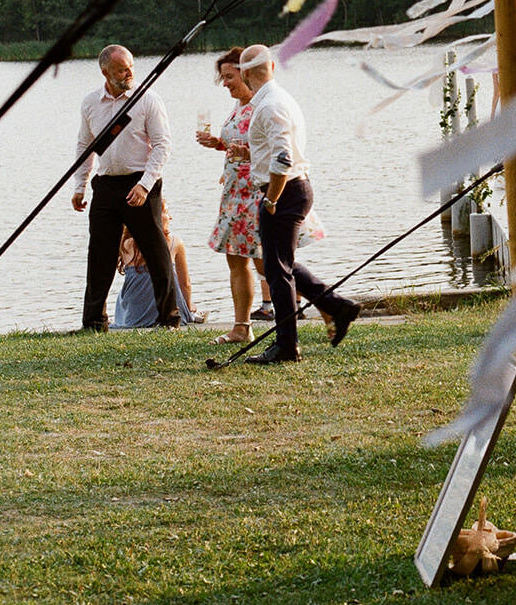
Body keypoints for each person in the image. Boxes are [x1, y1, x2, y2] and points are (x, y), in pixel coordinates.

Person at [233, 45, 359, 365]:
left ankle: (287, 346)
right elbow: (277, 151)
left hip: (285, 191)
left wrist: (271, 199)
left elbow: (283, 158)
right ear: (272, 67)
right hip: (293, 188)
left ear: (246, 74)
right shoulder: (280, 99)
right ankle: (337, 306)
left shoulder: (269, 105)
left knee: (277, 270)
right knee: (280, 263)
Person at [72, 44, 179, 331]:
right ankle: (93, 321)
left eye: (130, 66)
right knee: (100, 253)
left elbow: (162, 145)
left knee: (156, 251)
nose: (129, 73)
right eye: (121, 69)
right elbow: (85, 146)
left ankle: (169, 317)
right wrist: (79, 186)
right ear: (105, 71)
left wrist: (145, 186)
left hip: (141, 183)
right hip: (106, 186)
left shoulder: (147, 99)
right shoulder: (91, 103)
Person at [197, 47, 271, 345]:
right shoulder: (239, 105)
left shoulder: (261, 106)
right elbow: (236, 146)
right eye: (223, 77)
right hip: (234, 194)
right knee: (237, 258)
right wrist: (217, 142)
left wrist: (246, 154)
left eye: (229, 76)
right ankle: (242, 327)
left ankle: (321, 304)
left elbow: (276, 152)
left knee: (269, 261)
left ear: (247, 73)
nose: (224, 82)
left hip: (256, 192)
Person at [113, 202, 204, 327]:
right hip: (169, 312)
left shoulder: (126, 243)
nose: (170, 217)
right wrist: (188, 307)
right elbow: (185, 283)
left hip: (133, 316)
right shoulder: (174, 242)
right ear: (154, 215)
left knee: (126, 292)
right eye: (166, 212)